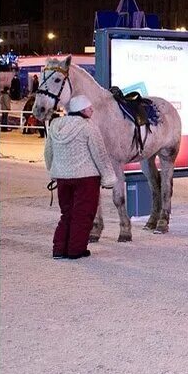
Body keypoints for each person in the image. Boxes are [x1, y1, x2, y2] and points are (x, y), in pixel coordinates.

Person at [44, 95, 116, 260]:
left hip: (63, 178)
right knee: (83, 214)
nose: (92, 110)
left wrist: (53, 171)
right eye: (89, 108)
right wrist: (108, 177)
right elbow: (99, 154)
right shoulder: (88, 127)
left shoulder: (55, 126)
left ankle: (59, 249)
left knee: (67, 213)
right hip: (86, 178)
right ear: (81, 110)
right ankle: (76, 250)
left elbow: (48, 152)